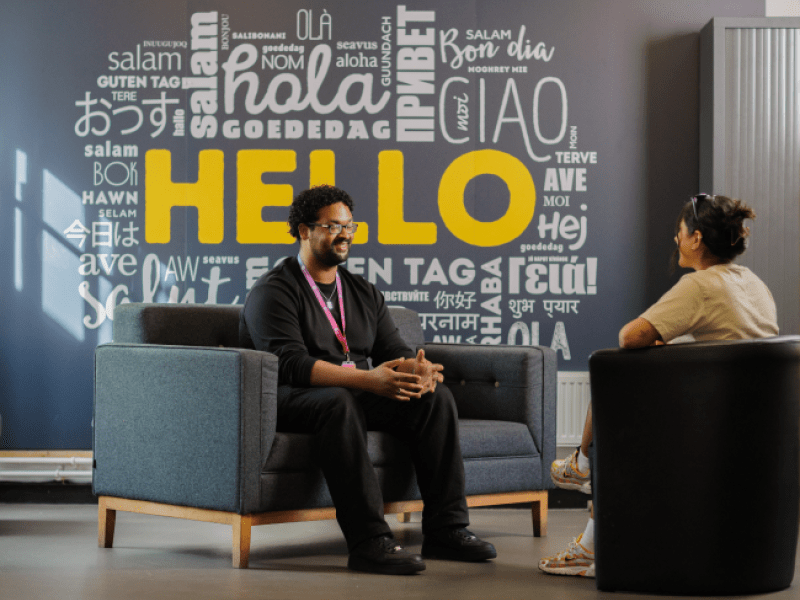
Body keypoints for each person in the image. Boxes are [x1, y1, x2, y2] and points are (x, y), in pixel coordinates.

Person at [239, 185, 496, 575]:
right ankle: (369, 542)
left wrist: (417, 371)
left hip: (354, 391)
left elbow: (393, 350)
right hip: (294, 397)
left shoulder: (361, 291)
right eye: (332, 226)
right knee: (337, 402)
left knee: (435, 400)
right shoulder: (274, 291)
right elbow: (288, 363)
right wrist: (368, 381)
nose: (344, 234)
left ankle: (447, 530)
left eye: (350, 226)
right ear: (304, 230)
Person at [540, 194, 778, 578]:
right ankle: (585, 526)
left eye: (680, 232)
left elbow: (630, 336)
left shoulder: (700, 285)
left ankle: (582, 465)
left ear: (697, 239)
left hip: (703, 429)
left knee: (616, 372)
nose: (676, 239)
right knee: (628, 378)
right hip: (749, 427)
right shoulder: (753, 283)